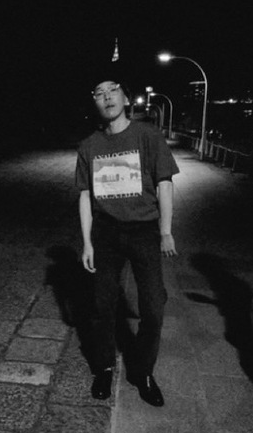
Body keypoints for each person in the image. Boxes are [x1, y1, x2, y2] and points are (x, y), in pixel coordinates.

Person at [76, 71, 179, 407]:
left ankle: (143, 372)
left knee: (153, 307)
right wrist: (87, 242)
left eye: (113, 90)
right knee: (102, 305)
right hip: (105, 232)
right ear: (95, 102)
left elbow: (165, 183)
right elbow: (85, 195)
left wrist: (166, 230)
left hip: (144, 230)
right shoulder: (89, 145)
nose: (106, 96)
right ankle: (104, 367)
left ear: (125, 97)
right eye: (99, 92)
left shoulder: (147, 135)